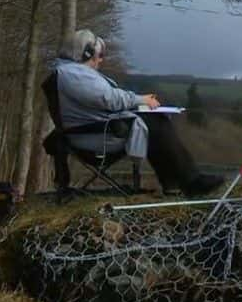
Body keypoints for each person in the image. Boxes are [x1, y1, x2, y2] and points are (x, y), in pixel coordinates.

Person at [49, 29, 223, 196]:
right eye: (99, 55)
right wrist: (141, 100)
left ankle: (174, 184)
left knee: (154, 121)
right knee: (156, 124)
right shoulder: (73, 74)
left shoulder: (71, 73)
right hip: (96, 136)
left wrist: (136, 103)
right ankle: (190, 182)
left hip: (95, 131)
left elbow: (101, 101)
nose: (100, 60)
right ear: (87, 53)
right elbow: (108, 99)